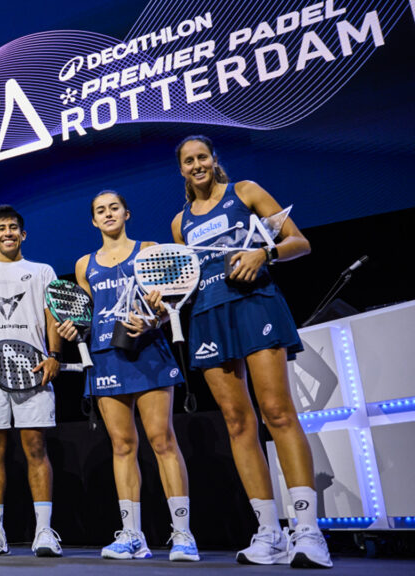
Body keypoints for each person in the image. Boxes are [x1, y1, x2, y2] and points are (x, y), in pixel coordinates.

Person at [167, 135, 330, 568]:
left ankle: (308, 532)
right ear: (181, 170)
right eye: (188, 161)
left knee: (277, 413)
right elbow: (186, 280)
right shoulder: (179, 223)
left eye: (202, 157)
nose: (197, 165)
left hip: (255, 304)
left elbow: (300, 242)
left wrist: (265, 252)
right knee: (239, 425)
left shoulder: (246, 192)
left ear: (214, 160)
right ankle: (269, 533)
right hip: (208, 316)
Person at [59, 191, 198, 562]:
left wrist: (158, 318)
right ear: (93, 220)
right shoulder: (84, 264)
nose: (107, 214)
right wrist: (75, 330)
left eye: (113, 208)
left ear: (127, 213)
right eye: (100, 210)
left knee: (162, 440)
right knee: (122, 446)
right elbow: (85, 316)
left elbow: (172, 303)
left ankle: (183, 535)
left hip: (148, 352)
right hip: (106, 359)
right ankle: (132, 535)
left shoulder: (150, 249)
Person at [0, 205, 63, 557]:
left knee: (36, 448)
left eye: (14, 228)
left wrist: (54, 354)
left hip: (34, 369)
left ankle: (45, 532)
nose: (8, 233)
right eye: (2, 228)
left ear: (23, 234)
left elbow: (53, 315)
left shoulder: (42, 271)